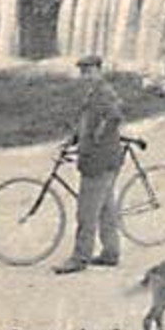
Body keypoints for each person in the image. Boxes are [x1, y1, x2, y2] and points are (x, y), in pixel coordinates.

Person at [54, 53, 125, 274]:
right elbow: (87, 122)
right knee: (106, 208)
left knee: (86, 212)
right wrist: (74, 139)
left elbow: (114, 117)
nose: (85, 75)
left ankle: (80, 258)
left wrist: (95, 137)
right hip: (107, 159)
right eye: (82, 72)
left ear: (99, 70)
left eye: (89, 71)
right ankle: (111, 253)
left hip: (98, 160)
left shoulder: (103, 92)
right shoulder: (94, 92)